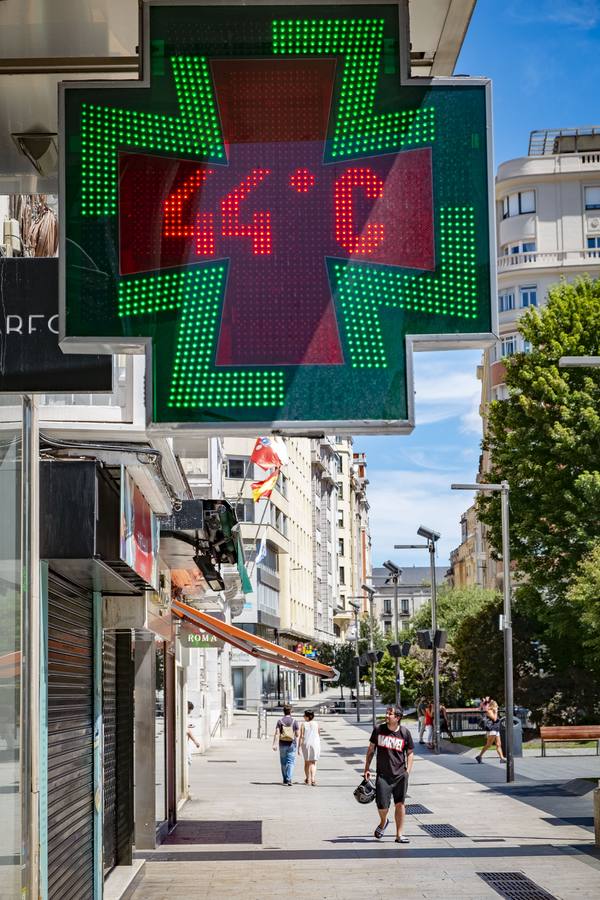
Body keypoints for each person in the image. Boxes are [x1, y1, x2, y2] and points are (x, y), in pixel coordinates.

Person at [363, 705, 414, 844]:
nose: (386, 715)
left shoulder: (405, 733)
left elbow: (410, 753)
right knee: (382, 806)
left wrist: (407, 772)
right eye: (387, 713)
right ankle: (383, 821)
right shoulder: (379, 730)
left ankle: (399, 835)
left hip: (400, 775)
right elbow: (371, 749)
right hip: (383, 776)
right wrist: (367, 768)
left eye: (389, 714)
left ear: (397, 717)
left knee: (400, 804)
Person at [272, 704, 299, 785]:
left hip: (282, 744)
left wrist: (274, 744)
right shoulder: (294, 721)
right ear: (291, 711)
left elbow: (277, 733)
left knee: (283, 762)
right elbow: (297, 734)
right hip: (292, 744)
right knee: (290, 762)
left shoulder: (280, 721)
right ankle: (289, 778)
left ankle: (285, 779)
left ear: (283, 711)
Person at [298, 709, 321, 785]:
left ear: (308, 717)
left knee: (307, 762)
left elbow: (301, 736)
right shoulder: (316, 723)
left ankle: (308, 778)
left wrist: (299, 748)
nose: (303, 716)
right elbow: (318, 733)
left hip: (306, 744)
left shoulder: (303, 724)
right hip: (315, 744)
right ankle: (313, 779)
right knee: (313, 762)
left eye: (304, 715)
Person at [186, 701, 200, 765]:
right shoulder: (184, 717)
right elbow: (188, 731)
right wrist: (195, 741)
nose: (190, 712)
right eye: (189, 710)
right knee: (187, 760)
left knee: (188, 760)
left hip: (186, 742)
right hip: (184, 743)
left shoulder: (184, 717)